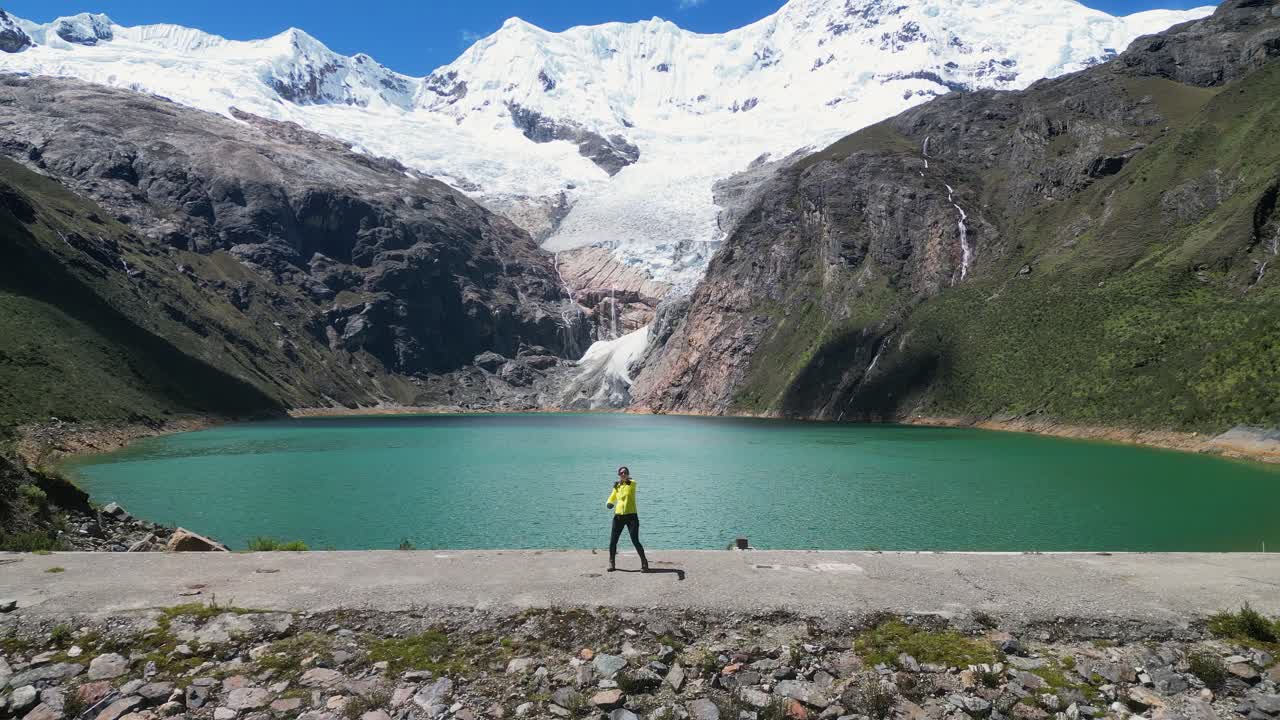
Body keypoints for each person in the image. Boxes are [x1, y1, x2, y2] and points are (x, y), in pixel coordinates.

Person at [606, 466, 649, 572]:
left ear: (628, 474)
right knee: (613, 542)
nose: (623, 474)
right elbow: (612, 497)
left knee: (635, 540)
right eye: (621, 473)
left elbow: (631, 481)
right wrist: (609, 503)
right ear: (619, 475)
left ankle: (644, 563)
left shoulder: (632, 484)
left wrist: (625, 481)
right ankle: (612, 562)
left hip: (631, 517)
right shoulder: (617, 486)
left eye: (625, 473)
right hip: (618, 517)